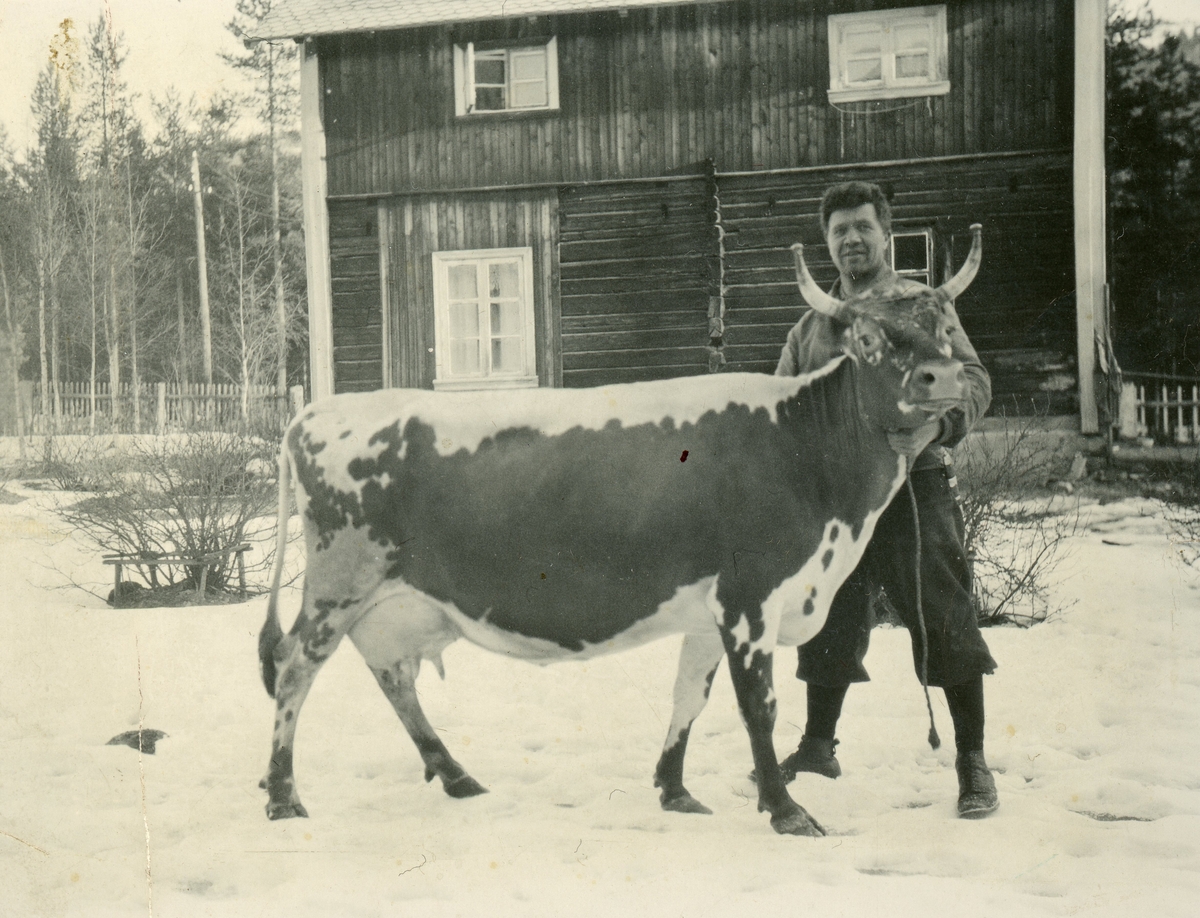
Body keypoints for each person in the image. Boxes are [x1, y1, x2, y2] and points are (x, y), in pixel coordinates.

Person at [774, 181, 999, 818]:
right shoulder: (813, 326)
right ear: (827, 243)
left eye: (862, 227)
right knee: (828, 615)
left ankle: (972, 761)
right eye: (839, 230)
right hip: (838, 497)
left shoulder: (926, 306)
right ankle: (818, 746)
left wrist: (937, 426)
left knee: (943, 609)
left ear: (885, 233)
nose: (851, 240)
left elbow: (974, 380)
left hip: (914, 481)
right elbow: (783, 404)